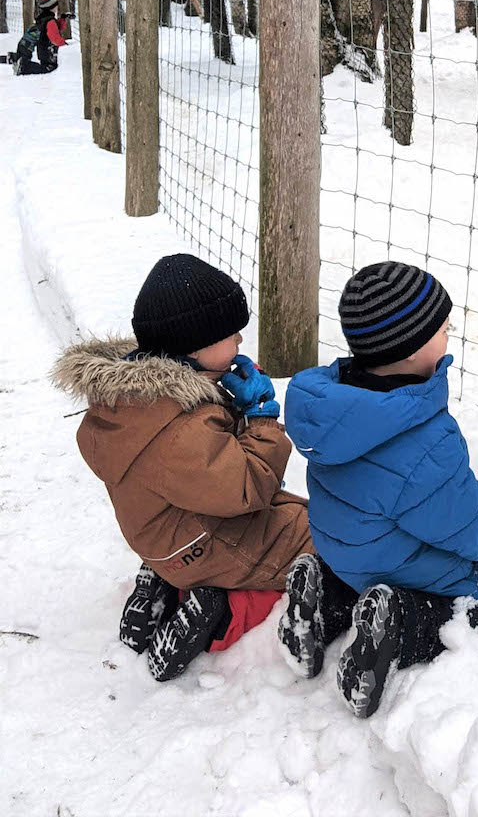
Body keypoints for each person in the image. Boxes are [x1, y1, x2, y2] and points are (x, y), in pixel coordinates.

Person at [52, 254, 354, 681]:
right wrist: (263, 419)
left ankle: (170, 583)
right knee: (333, 543)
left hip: (169, 536)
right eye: (231, 335)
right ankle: (223, 614)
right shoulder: (177, 427)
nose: (240, 341)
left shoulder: (139, 402)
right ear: (196, 346)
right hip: (210, 539)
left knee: (304, 524)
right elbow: (248, 490)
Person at [283, 261, 478, 718]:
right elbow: (466, 523)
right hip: (394, 562)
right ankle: (401, 625)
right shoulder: (420, 439)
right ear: (410, 349)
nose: (450, 333)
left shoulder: (340, 409)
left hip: (343, 547)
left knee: (371, 560)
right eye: (443, 328)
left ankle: (329, 597)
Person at [9, 0, 69, 75]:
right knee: (49, 68)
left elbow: (55, 27)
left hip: (42, 48)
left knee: (47, 66)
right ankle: (23, 67)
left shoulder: (44, 18)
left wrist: (62, 19)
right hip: (46, 49)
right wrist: (63, 43)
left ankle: (18, 60)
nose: (57, 7)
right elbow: (54, 36)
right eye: (56, 5)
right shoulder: (50, 21)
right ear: (51, 8)